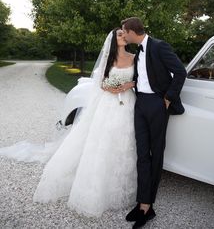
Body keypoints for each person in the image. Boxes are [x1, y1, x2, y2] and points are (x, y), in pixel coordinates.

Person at [0, 28, 138, 218]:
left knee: (125, 143)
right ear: (113, 40)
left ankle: (121, 189)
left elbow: (139, 80)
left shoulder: (134, 57)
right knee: (103, 142)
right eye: (119, 35)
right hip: (108, 103)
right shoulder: (109, 58)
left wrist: (128, 85)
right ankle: (97, 190)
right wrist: (110, 88)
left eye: (124, 34)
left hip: (128, 103)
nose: (123, 37)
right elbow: (100, 82)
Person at [122, 17, 187, 229]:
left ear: (132, 31)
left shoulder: (159, 46)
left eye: (124, 31)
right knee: (142, 154)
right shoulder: (137, 51)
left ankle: (147, 207)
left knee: (155, 154)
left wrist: (167, 98)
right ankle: (141, 202)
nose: (123, 35)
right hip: (139, 104)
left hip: (157, 104)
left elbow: (180, 71)